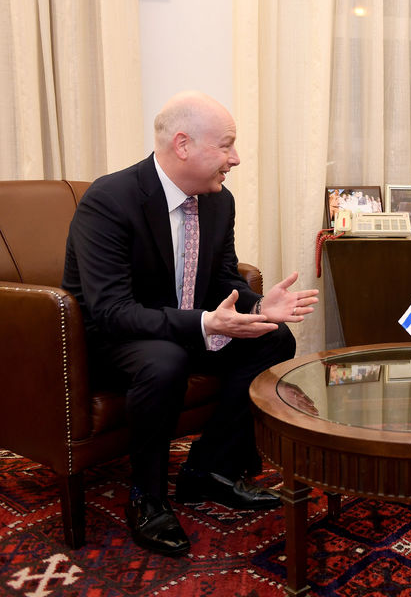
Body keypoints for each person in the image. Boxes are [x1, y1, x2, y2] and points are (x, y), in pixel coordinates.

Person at [62, 91, 319, 556]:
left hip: (185, 327)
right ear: (183, 145)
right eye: (226, 145)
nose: (235, 159)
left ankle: (210, 470)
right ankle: (147, 496)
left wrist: (259, 308)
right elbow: (111, 311)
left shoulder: (219, 203)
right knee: (165, 360)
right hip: (116, 337)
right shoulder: (111, 199)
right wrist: (205, 323)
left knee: (274, 339)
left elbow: (223, 279)